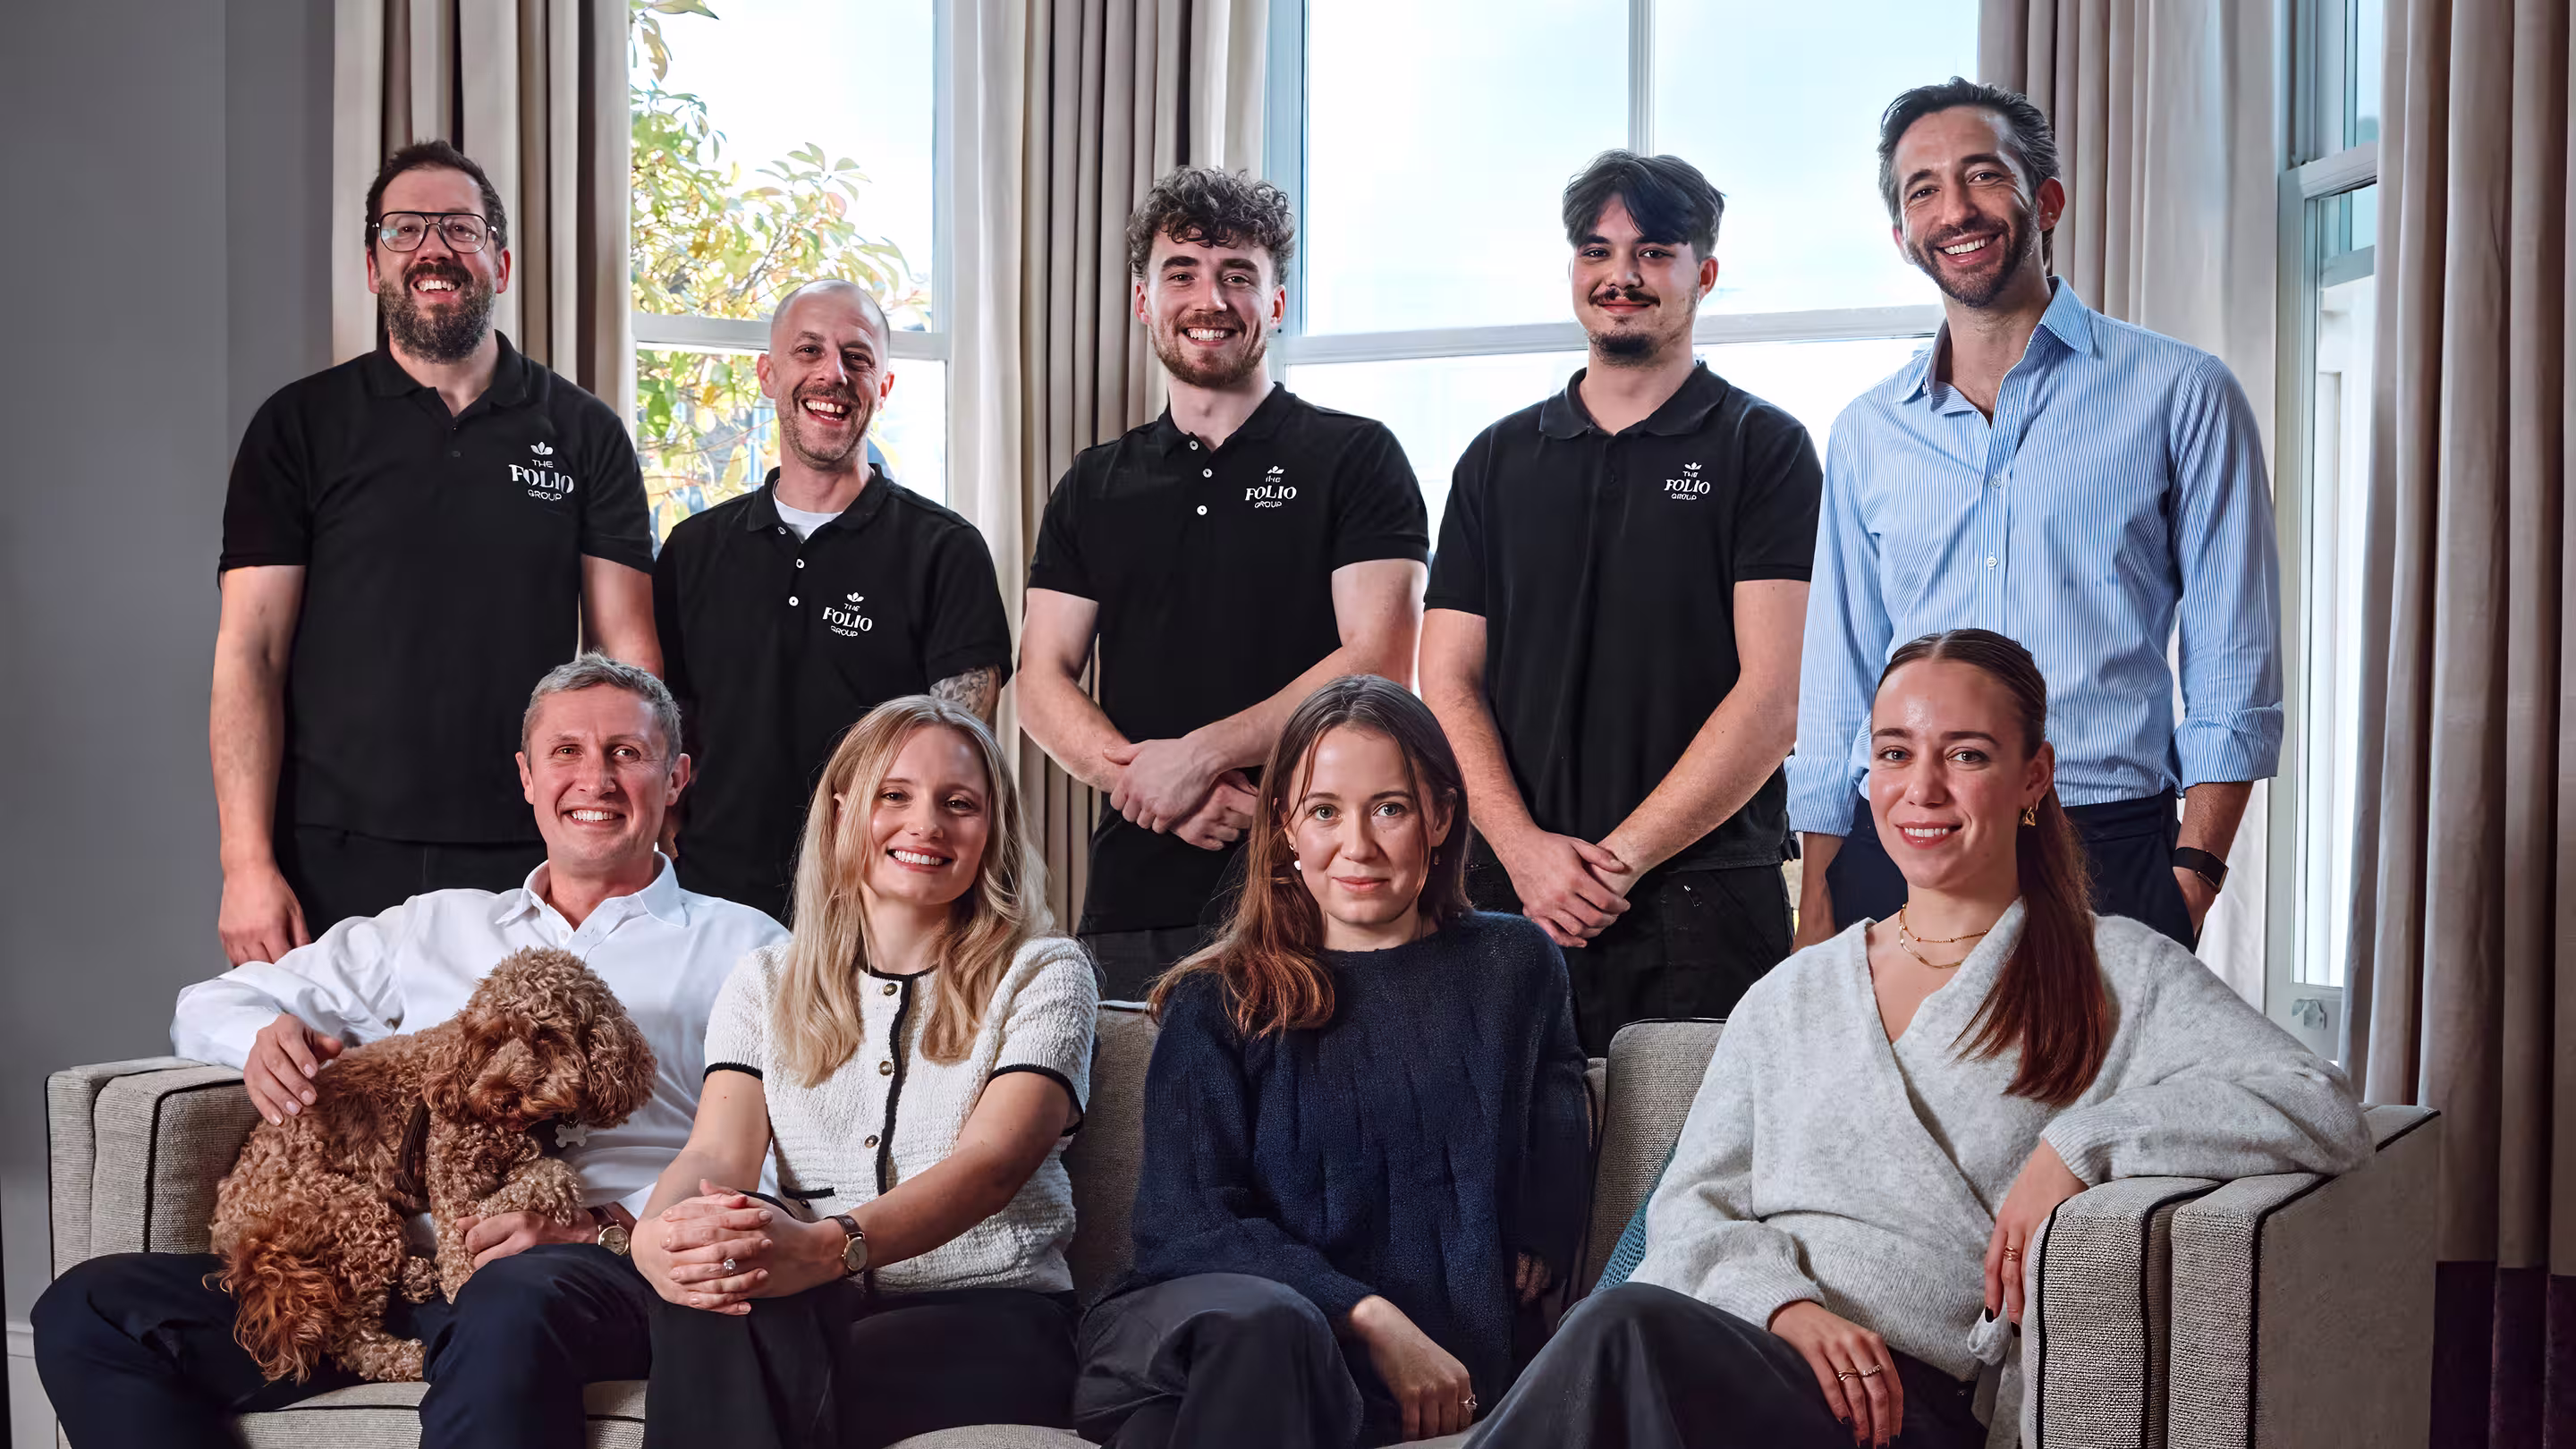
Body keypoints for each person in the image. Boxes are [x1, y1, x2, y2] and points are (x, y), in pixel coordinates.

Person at [1470, 630, 2368, 1449]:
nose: (1921, 789)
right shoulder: (1792, 994)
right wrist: (1784, 1306)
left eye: (1966, 755)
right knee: (1624, 1329)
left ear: (2034, 776)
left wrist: (2081, 1147)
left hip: (1901, 1409)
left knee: (1619, 1329)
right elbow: (1690, 1209)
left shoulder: (2112, 969)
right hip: (1734, 1356)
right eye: (1895, 753)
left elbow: (2318, 1101)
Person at [36, 657, 787, 1449]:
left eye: (626, 754)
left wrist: (609, 1227)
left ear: (676, 778)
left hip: (589, 1268)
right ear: (528, 777)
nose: (594, 779)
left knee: (510, 1299)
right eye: (566, 752)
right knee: (93, 1307)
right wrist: (264, 1040)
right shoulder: (434, 926)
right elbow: (211, 1003)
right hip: (388, 1271)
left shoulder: (748, 948)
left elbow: (784, 1161)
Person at [1791, 79, 2281, 954]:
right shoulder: (1868, 433)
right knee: (1894, 1098)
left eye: (1983, 176)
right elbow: (1839, 683)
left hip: (2101, 845)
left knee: (2098, 1097)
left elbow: (2233, 656)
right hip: (1900, 851)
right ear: (1903, 237)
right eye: (1924, 190)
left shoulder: (2182, 394)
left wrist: (2193, 875)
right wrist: (1821, 905)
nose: (1955, 209)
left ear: (2045, 199)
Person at [1076, 675, 1591, 1449]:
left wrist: (1544, 1232)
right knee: (1270, 1330)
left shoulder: (1514, 966)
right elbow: (1185, 1224)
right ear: (1284, 826)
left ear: (1442, 817)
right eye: (1324, 811)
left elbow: (1557, 1095)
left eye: (1391, 807)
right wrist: (1368, 1314)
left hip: (1403, 1383)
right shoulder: (1219, 998)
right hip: (1215, 1341)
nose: (1358, 845)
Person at [213, 140, 659, 965]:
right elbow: (251, 653)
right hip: (326, 852)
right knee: (326, 1094)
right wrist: (247, 865)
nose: (433, 249)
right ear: (374, 265)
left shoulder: (585, 432)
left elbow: (627, 654)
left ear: (501, 260)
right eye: (405, 229)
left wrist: (634, 839)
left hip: (524, 854)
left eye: (459, 227)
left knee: (522, 1094)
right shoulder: (298, 427)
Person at [1420, 150, 1818, 1055]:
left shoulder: (1766, 449)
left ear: (1703, 273)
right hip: (1505, 895)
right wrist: (1524, 852)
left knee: (1694, 1188)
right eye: (1596, 252)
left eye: (1652, 253)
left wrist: (1616, 863)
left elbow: (1775, 696)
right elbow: (1445, 680)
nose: (1620, 278)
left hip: (1705, 898)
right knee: (1505, 1183)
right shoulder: (1495, 459)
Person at [631, 695, 1097, 1449]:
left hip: (994, 1315)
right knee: (715, 1302)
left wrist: (823, 1248)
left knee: (767, 1359)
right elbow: (717, 1155)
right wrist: (657, 1240)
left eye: (960, 804)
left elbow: (993, 1165)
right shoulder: (762, 981)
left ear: (992, 831)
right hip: (810, 1301)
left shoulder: (1045, 971)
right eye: (895, 795)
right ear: (845, 811)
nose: (927, 825)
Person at [1020, 168, 1428, 1002]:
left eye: (1238, 275)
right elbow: (1038, 681)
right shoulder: (1094, 483)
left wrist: (1198, 758)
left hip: (1318, 884)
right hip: (1136, 895)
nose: (1210, 297)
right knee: (1142, 1132)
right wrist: (1149, 790)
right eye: (1183, 274)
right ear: (1143, 301)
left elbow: (1378, 661)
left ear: (1276, 304)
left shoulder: (1355, 458)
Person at [654, 280, 1014, 924]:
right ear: (768, 374)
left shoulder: (945, 551)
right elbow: (663, 723)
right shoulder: (693, 549)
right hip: (711, 902)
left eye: (858, 357)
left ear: (885, 386)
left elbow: (956, 755)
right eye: (809, 351)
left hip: (877, 910)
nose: (833, 375)